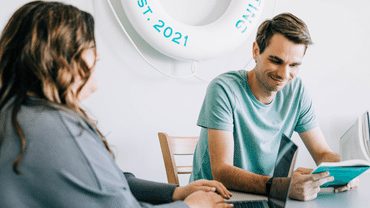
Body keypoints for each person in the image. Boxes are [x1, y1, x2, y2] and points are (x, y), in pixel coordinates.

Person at [0, 1, 234, 207]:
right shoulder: (56, 127)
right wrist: (191, 206)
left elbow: (108, 181)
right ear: (62, 57)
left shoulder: (17, 114)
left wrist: (175, 192)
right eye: (91, 47)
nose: (98, 57)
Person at [189, 13, 359, 201]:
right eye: (276, 61)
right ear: (256, 51)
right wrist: (281, 186)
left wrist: (345, 172)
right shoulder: (223, 89)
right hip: (214, 199)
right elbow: (222, 171)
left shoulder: (297, 92)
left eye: (294, 65)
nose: (284, 74)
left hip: (265, 198)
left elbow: (322, 152)